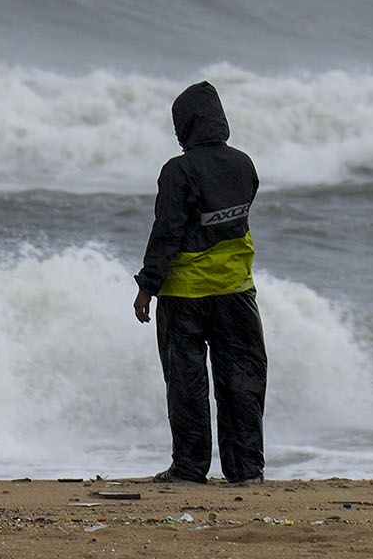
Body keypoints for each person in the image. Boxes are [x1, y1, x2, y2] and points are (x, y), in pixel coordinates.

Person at [133, 81, 267, 485]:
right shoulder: (244, 165)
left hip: (185, 295)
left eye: (179, 126)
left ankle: (190, 469)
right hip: (237, 292)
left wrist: (146, 286)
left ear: (189, 126)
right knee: (242, 380)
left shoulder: (179, 171)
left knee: (187, 385)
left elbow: (168, 231)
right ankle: (246, 470)